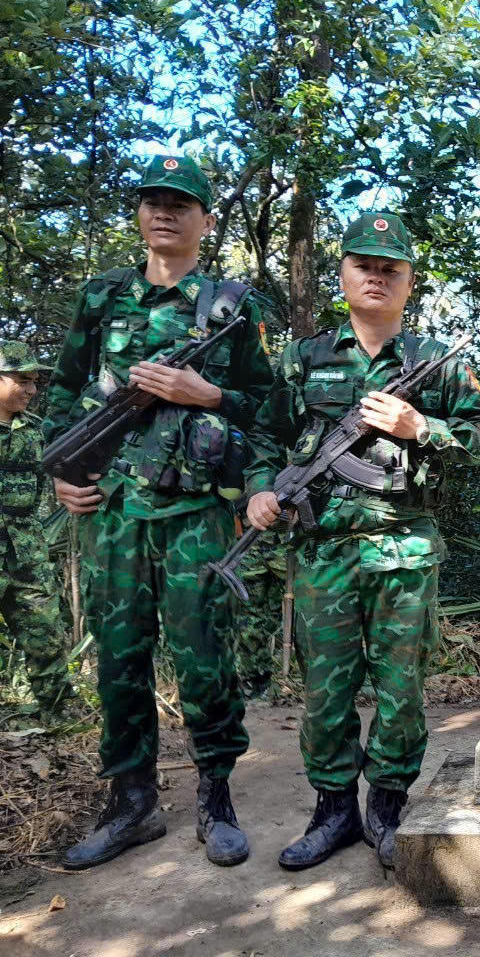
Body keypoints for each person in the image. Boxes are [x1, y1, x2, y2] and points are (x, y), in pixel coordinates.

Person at [244, 211, 480, 870]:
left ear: (409, 282)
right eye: (364, 264)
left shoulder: (434, 365)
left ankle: (387, 810)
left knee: (400, 688)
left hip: (403, 552)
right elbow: (260, 438)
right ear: (344, 275)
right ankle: (332, 813)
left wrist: (423, 427)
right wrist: (258, 490)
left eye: (391, 268)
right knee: (326, 691)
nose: (377, 277)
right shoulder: (305, 360)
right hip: (322, 553)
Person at [45, 153, 275, 870]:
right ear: (140, 213)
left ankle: (216, 798)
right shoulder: (103, 296)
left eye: (181, 202)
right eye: (153, 200)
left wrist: (202, 394)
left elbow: (272, 411)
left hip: (195, 515)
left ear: (207, 220)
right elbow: (63, 393)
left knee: (204, 660)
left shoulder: (234, 309)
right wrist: (63, 476)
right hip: (112, 514)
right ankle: (132, 804)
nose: (164, 212)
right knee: (119, 662)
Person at [0, 341, 74, 718]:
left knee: (45, 635)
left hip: (27, 552)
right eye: (21, 381)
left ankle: (57, 715)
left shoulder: (37, 431)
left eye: (34, 382)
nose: (30, 390)